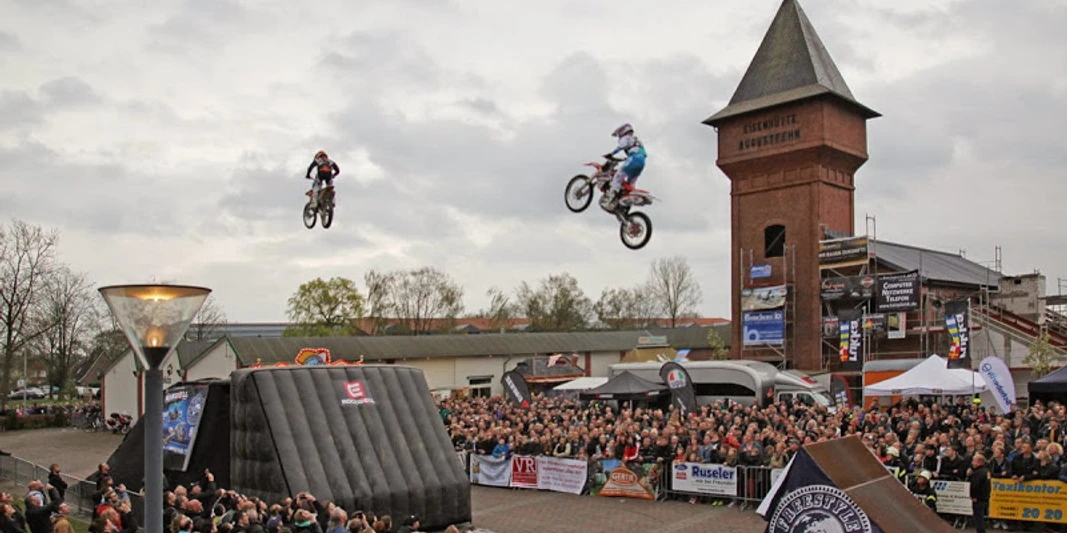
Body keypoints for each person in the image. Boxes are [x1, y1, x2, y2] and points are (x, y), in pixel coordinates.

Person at [599, 123, 647, 211]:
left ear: (622, 132)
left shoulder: (626, 138)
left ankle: (609, 200)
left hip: (634, 158)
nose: (619, 138)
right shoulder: (637, 140)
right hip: (642, 161)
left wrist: (611, 154)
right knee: (630, 185)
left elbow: (622, 146)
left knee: (617, 176)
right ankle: (625, 204)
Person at [968, 454, 991, 533]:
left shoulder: (978, 473)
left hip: (978, 498)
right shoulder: (986, 471)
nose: (972, 463)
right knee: (980, 517)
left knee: (978, 518)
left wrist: (973, 496)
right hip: (984, 498)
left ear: (979, 462)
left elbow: (975, 485)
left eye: (973, 461)